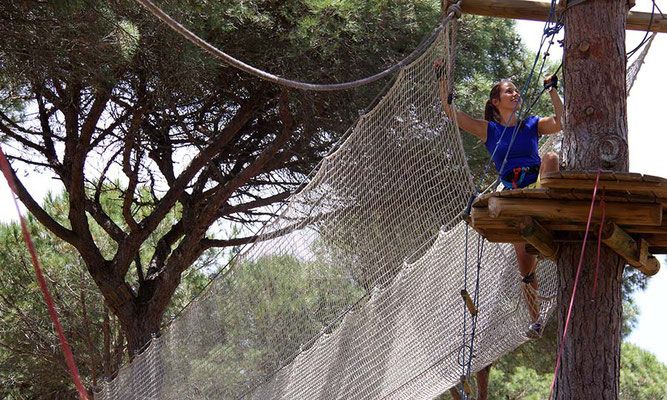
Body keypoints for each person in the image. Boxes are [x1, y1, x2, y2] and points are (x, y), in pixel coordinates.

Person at [436, 65, 563, 400]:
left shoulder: (531, 125)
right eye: (509, 92)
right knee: (525, 268)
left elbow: (562, 122)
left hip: (536, 187)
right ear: (495, 101)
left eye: (515, 91)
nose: (515, 94)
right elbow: (451, 112)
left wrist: (552, 89)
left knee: (550, 156)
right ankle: (536, 320)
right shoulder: (489, 130)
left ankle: (550, 208)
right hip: (514, 193)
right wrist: (442, 80)